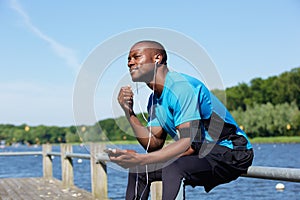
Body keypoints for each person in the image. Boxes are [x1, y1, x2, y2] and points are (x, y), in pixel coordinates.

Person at [108, 40, 254, 199]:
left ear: (157, 58)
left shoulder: (181, 87)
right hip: (200, 152)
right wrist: (129, 112)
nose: (130, 63)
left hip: (231, 151)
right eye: (128, 60)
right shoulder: (154, 100)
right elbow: (153, 144)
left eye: (136, 57)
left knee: (172, 167)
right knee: (138, 170)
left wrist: (142, 158)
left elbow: (189, 143)